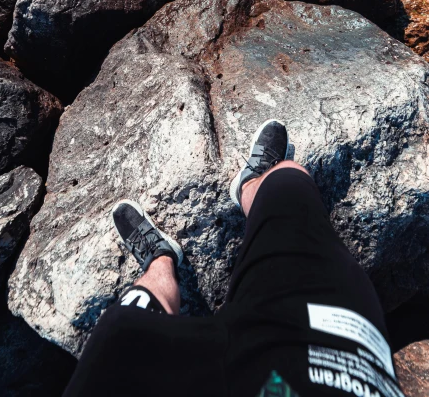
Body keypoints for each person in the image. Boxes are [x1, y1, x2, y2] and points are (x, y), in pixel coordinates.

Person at [63, 120, 405, 397]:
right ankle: (251, 186)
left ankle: (160, 261)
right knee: (289, 183)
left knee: (120, 329)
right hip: (333, 370)